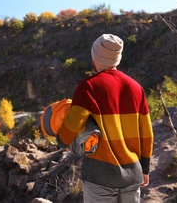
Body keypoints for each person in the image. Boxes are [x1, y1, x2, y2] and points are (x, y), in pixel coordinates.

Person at [57, 33, 154, 203]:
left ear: (95, 57)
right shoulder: (137, 88)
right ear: (117, 58)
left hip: (99, 176)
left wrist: (61, 141)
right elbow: (147, 134)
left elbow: (72, 125)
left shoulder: (88, 87)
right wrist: (144, 168)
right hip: (132, 174)